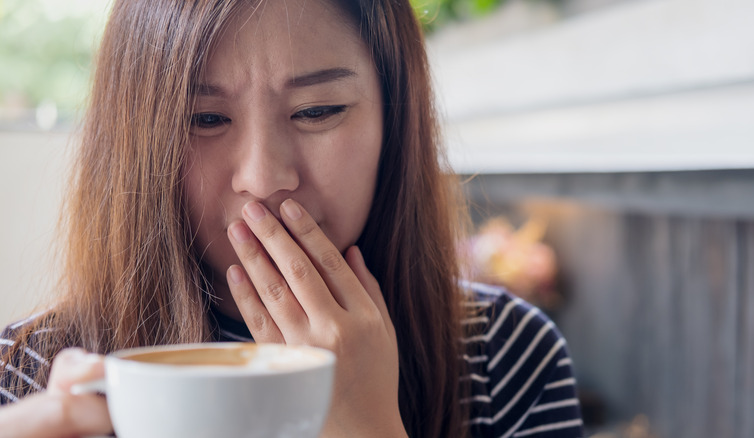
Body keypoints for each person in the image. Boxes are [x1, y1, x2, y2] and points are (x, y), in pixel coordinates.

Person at [0, 0, 584, 436]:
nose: (262, 176)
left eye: (317, 110)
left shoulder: (506, 357)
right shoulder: (26, 371)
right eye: (204, 119)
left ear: (395, 120)